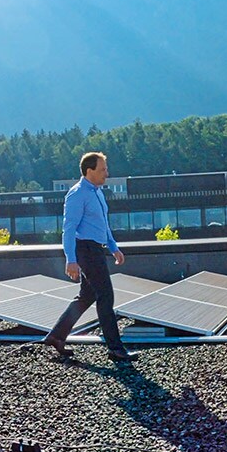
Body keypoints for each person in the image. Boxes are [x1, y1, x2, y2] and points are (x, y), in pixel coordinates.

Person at [43, 151, 137, 362]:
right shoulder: (77, 194)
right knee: (106, 296)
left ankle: (56, 336)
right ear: (89, 171)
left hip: (95, 249)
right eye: (103, 169)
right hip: (85, 250)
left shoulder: (98, 192)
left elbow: (102, 223)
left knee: (87, 295)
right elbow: (69, 229)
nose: (107, 173)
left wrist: (113, 247)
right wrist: (71, 259)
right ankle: (115, 348)